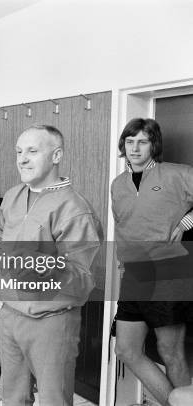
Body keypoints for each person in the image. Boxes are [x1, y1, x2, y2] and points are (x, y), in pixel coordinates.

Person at [0, 124, 102, 406]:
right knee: (12, 396)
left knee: (53, 400)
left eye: (32, 151)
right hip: (10, 314)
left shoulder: (74, 208)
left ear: (56, 155)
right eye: (18, 152)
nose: (22, 159)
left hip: (50, 322)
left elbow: (81, 279)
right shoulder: (13, 195)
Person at [112, 118, 193, 406]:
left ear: (153, 145)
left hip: (169, 274)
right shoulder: (118, 184)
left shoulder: (176, 174)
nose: (134, 147)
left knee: (171, 352)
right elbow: (124, 226)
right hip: (134, 275)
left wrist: (187, 220)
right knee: (126, 349)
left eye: (142, 141)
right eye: (130, 141)